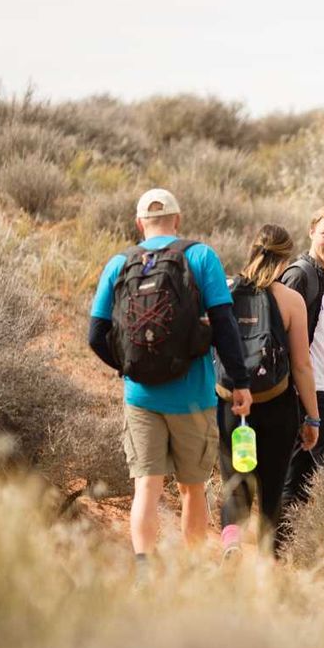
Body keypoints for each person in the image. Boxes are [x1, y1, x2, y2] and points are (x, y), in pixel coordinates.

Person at [87, 188, 252, 584]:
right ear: (177, 221)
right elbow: (225, 327)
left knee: (146, 484)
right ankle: (190, 572)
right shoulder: (200, 256)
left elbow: (96, 334)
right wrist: (240, 381)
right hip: (192, 396)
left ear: (139, 223)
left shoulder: (118, 263)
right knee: (193, 489)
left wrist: (128, 368)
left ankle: (145, 570)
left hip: (141, 396)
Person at [216, 225, 321, 561]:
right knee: (272, 488)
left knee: (235, 481)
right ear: (284, 258)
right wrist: (313, 418)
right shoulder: (291, 300)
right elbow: (303, 365)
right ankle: (267, 561)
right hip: (276, 406)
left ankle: (230, 541)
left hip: (230, 404)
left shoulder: (223, 289)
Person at [279, 204, 324, 515]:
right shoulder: (300, 275)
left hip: (321, 388)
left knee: (303, 471)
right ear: (311, 232)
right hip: (301, 389)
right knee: (305, 470)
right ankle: (278, 546)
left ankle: (284, 543)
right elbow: (280, 337)